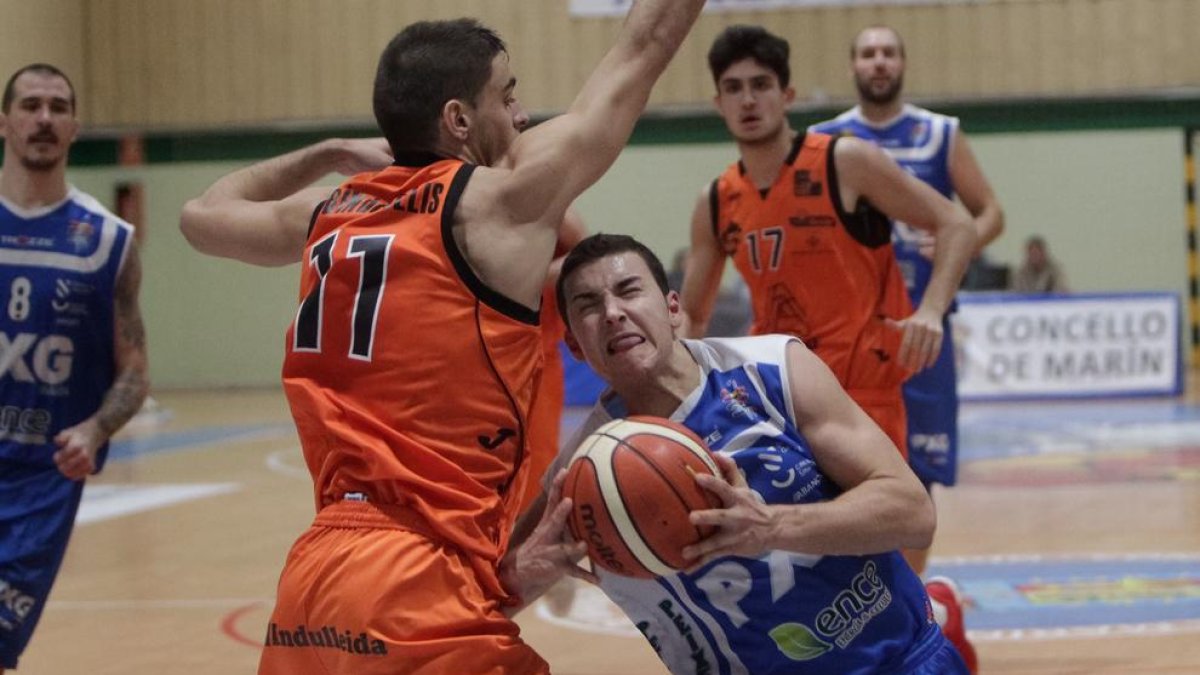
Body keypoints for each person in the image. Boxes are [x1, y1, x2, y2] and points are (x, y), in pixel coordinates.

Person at [179, 4, 707, 673]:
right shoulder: (494, 204)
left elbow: (201, 216)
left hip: (312, 582)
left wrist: (329, 153)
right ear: (459, 120)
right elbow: (644, 46)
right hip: (416, 581)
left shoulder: (327, 214)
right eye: (507, 97)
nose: (520, 116)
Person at [538, 232, 968, 674]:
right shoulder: (578, 476)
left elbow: (914, 514)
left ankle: (940, 608)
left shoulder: (775, 368)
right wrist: (528, 570)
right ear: (574, 345)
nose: (612, 313)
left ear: (673, 309)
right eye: (589, 305)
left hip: (898, 661)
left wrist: (771, 526)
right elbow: (501, 591)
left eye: (628, 290)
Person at [680, 25, 975, 487]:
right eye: (733, 88)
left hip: (862, 394)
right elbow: (693, 316)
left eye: (761, 85)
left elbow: (957, 223)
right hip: (779, 399)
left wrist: (932, 309)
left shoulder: (845, 162)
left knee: (891, 519)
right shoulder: (716, 200)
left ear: (787, 95)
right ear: (719, 103)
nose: (748, 100)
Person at [811, 24, 1005, 576]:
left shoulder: (940, 133)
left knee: (919, 471)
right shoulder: (824, 140)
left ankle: (912, 594)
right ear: (853, 65)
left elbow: (990, 213)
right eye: (868, 54)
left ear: (902, 63)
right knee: (837, 467)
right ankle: (856, 591)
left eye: (888, 53)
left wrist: (962, 237)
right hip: (848, 335)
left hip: (921, 331)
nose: (879, 62)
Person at [0, 64, 149, 673]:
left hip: (39, 484)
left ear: (75, 127)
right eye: (30, 105)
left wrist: (95, 429)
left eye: (57, 107)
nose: (43, 118)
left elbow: (134, 371)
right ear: (4, 122)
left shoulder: (108, 241)